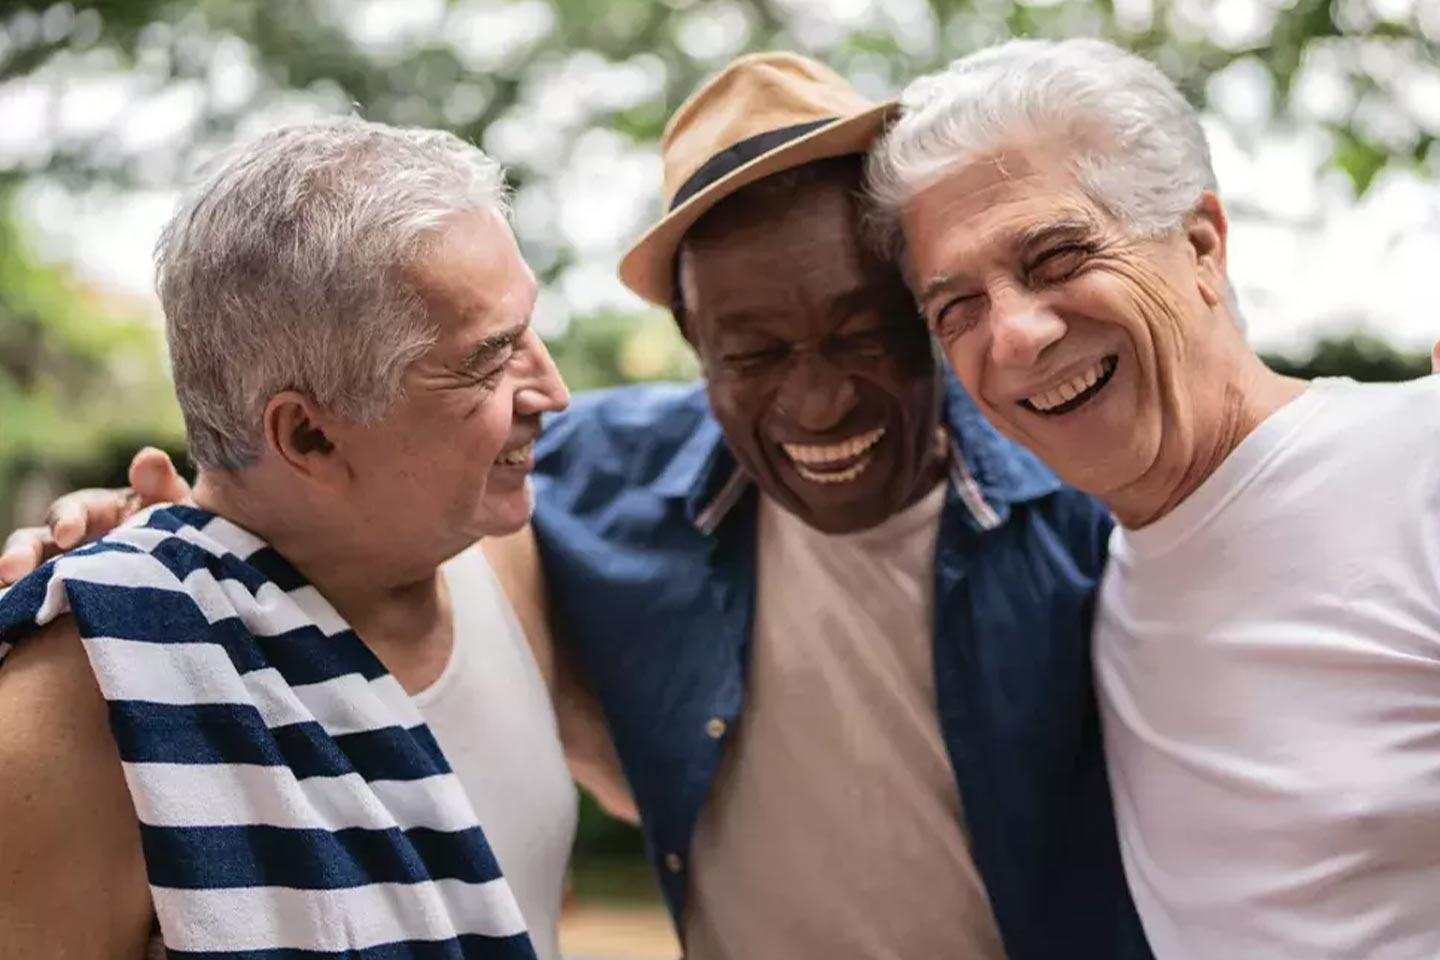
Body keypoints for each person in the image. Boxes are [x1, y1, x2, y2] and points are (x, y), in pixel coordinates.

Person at [1, 55, 1151, 960]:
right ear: (698, 349)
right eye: (751, 350)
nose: (552, 395)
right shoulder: (108, 678)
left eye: (862, 332)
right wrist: (117, 564)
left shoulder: (1092, 496)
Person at [870, 36, 1440, 959]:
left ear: (1201, 245)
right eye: (956, 309)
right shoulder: (1092, 589)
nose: (1013, 336)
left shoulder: (1419, 470)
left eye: (1055, 255)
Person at [0, 120, 575, 959]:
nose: (553, 390)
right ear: (308, 436)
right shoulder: (94, 689)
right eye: (489, 361)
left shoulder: (512, 561)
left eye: (528, 328)